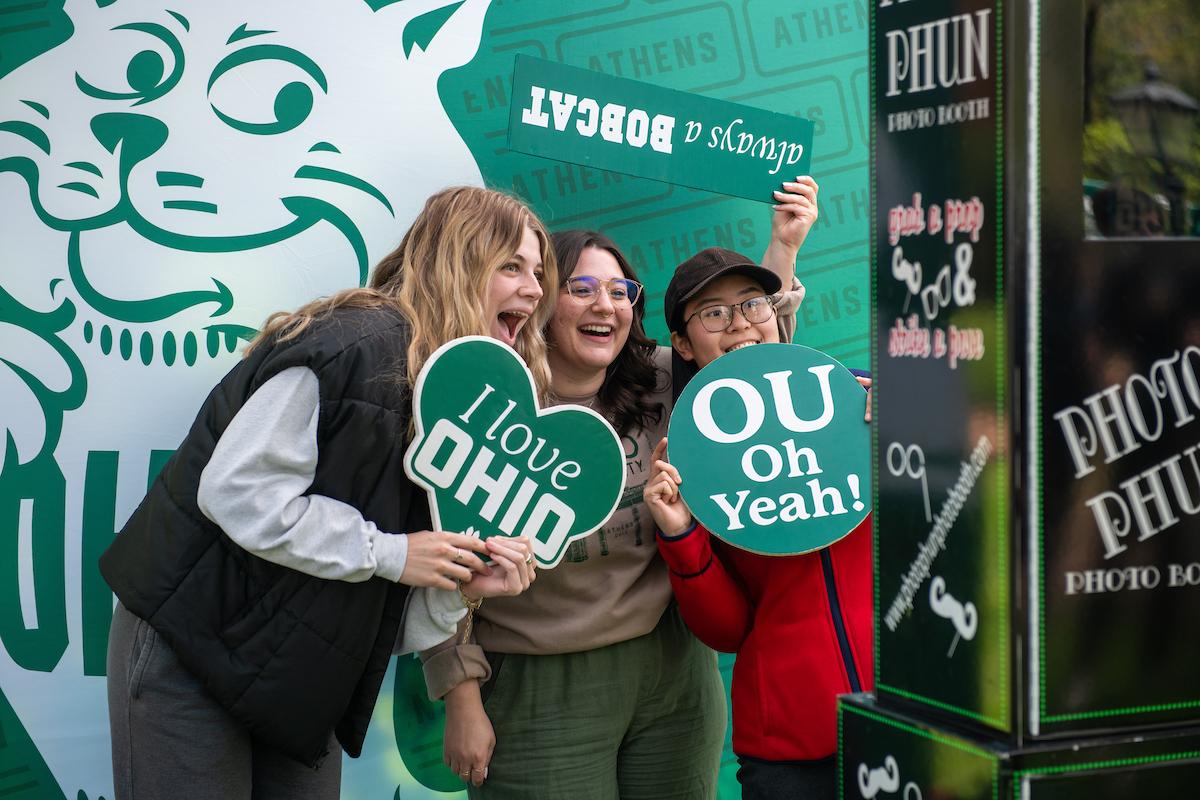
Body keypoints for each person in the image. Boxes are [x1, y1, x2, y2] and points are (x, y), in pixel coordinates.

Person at [99, 186, 551, 800]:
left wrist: (457, 593)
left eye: (539, 272)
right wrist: (392, 553)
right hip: (193, 643)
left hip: (299, 676)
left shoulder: (462, 404)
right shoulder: (353, 345)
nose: (535, 289)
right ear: (459, 262)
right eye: (511, 266)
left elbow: (390, 609)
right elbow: (235, 491)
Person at [419, 178, 821, 799]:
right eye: (579, 289)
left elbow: (755, 367)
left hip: (672, 669)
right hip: (537, 680)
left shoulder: (666, 378)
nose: (603, 304)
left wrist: (783, 248)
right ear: (539, 303)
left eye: (618, 290)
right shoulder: (486, 399)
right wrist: (461, 696)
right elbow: (443, 555)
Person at [643, 248, 874, 800]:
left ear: (776, 314)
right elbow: (726, 631)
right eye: (714, 313)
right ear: (681, 343)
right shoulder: (689, 462)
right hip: (788, 750)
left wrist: (918, 447)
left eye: (754, 304)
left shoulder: (862, 398)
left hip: (918, 712)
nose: (741, 323)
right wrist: (680, 534)